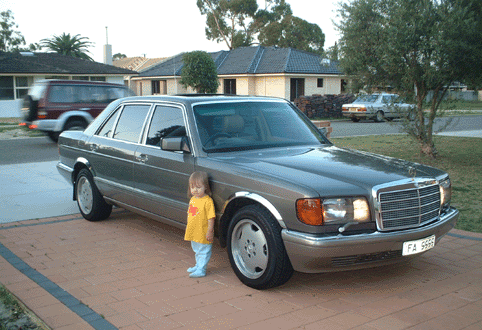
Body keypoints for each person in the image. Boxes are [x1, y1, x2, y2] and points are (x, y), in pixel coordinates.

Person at [184, 171, 216, 278]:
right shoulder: (193, 200)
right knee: (197, 250)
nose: (195, 190)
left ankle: (201, 269)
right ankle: (198, 265)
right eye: (192, 187)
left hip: (203, 232)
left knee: (204, 251)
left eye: (198, 187)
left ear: (205, 187)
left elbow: (211, 218)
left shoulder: (208, 201)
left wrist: (210, 231)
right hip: (194, 231)